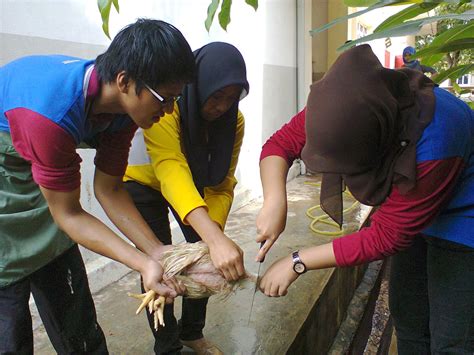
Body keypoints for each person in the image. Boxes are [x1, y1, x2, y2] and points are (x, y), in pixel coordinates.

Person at [256, 44, 473, 354]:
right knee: (409, 318)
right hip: (413, 210)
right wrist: (274, 200)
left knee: (452, 337)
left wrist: (298, 262)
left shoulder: (439, 134)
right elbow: (279, 145)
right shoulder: (344, 103)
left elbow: (387, 236)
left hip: (464, 219)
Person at [0, 19, 195, 354]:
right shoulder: (52, 115)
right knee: (11, 331)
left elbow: (110, 189)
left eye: (176, 99)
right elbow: (71, 215)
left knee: (79, 326)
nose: (169, 110)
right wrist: (142, 264)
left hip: (40, 177)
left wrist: (156, 251)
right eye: (165, 98)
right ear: (124, 80)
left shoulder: (121, 110)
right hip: (8, 190)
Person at [124, 42, 249, 355]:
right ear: (197, 84)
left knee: (208, 257)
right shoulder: (169, 107)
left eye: (232, 98)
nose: (221, 106)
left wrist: (212, 238)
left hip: (194, 188)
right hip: (144, 183)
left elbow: (222, 182)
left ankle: (192, 333)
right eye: (216, 95)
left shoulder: (234, 122)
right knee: (158, 263)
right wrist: (211, 237)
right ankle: (167, 346)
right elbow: (170, 168)